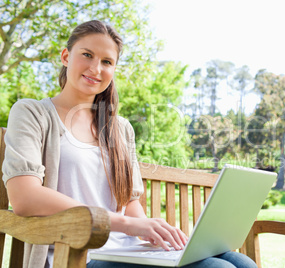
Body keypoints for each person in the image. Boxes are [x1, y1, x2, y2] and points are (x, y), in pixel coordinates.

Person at [2, 20, 257, 268]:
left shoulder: (120, 128)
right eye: (87, 55)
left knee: (239, 262)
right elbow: (25, 197)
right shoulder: (32, 112)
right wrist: (126, 224)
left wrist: (153, 232)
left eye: (107, 62)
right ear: (66, 56)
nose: (96, 68)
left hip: (128, 251)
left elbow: (129, 204)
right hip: (74, 256)